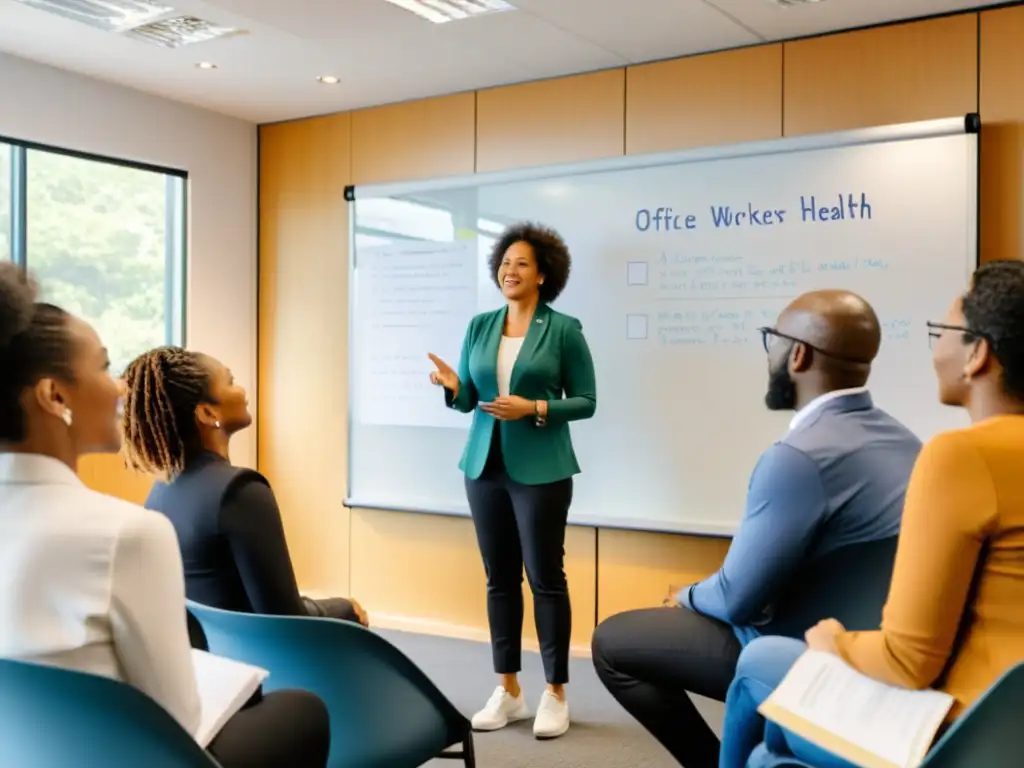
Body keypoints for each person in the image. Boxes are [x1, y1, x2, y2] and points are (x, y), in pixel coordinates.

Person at [0, 262, 329, 767]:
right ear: (54, 395)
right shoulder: (128, 533)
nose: (121, 389)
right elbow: (179, 722)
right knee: (300, 711)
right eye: (104, 367)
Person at [591, 289, 923, 767]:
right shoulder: (903, 439)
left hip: (792, 646)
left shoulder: (797, 457)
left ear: (798, 355)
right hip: (869, 641)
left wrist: (686, 593)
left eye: (771, 339)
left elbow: (735, 599)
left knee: (614, 642)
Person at [720, 260, 1024, 768]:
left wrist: (835, 641)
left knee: (761, 677)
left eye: (942, 331)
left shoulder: (962, 456)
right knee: (773, 753)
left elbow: (909, 661)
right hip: (1009, 716)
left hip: (968, 732)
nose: (936, 347)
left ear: (978, 354)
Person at [428, 222, 596, 739]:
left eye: (521, 263)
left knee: (546, 578)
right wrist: (454, 387)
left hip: (542, 470)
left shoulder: (563, 329)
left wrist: (536, 407)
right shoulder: (481, 325)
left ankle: (555, 693)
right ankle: (510, 690)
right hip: (483, 466)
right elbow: (467, 401)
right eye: (504, 262)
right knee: (499, 578)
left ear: (543, 274)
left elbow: (586, 401)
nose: (509, 270)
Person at [120, 345, 368, 626]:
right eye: (230, 381)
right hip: (256, 664)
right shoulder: (240, 491)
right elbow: (285, 618)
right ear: (207, 412)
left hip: (209, 661)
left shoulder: (161, 492)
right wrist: (345, 608)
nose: (242, 391)